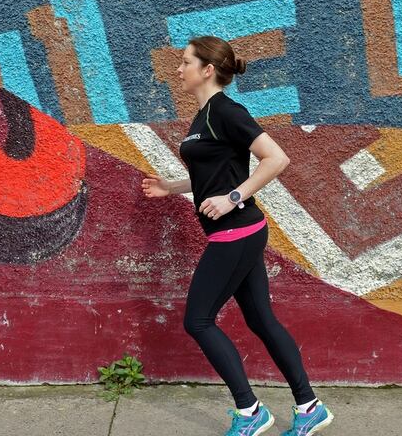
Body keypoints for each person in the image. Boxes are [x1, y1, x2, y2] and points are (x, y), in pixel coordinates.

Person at [141, 36, 333, 435]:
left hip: (236, 231)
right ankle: (309, 406)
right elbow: (213, 174)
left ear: (207, 70)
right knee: (261, 319)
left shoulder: (226, 111)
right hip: (240, 231)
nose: (178, 69)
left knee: (198, 320)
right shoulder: (202, 117)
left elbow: (276, 158)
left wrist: (233, 198)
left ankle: (250, 412)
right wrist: (172, 187)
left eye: (185, 62)